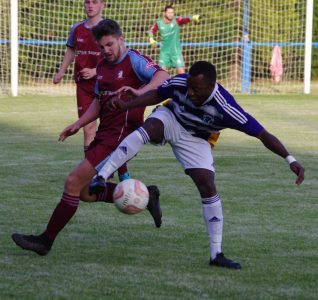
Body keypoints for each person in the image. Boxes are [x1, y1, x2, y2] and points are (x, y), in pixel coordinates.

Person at [88, 61, 305, 269]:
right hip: (171, 118)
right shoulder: (181, 82)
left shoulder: (226, 108)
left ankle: (216, 254)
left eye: (196, 89)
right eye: (189, 87)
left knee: (207, 185)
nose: (190, 92)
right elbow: (158, 94)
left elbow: (263, 135)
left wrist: (290, 159)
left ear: (211, 86)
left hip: (196, 139)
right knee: (150, 127)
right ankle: (102, 176)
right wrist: (127, 105)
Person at [11, 19, 170, 256]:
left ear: (121, 39)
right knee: (85, 192)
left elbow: (163, 76)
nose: (106, 50)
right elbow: (98, 101)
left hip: (122, 136)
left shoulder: (133, 59)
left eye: (110, 44)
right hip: (104, 133)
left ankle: (45, 241)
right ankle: (147, 197)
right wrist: (78, 124)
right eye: (102, 46)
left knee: (73, 182)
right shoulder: (103, 67)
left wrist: (140, 92)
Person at [149, 5, 200, 74]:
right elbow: (151, 31)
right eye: (169, 12)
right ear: (164, 13)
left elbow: (185, 19)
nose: (171, 14)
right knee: (161, 74)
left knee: (182, 74)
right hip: (164, 52)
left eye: (172, 12)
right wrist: (151, 39)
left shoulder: (176, 20)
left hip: (176, 52)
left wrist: (193, 17)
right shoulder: (159, 23)